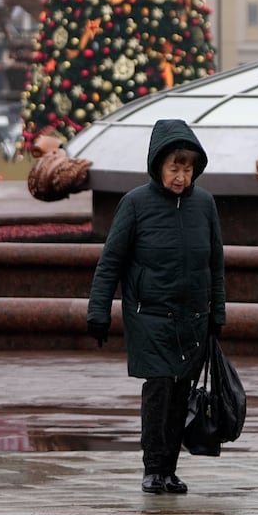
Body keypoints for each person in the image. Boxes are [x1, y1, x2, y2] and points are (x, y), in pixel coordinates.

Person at [87, 118, 225, 495]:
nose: (181, 175)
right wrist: (98, 311)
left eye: (188, 167)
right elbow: (110, 261)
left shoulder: (205, 204)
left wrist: (217, 313)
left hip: (192, 317)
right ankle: (153, 467)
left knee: (181, 391)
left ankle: (170, 470)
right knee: (160, 387)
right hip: (149, 315)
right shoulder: (135, 204)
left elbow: (215, 263)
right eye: (174, 167)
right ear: (158, 165)